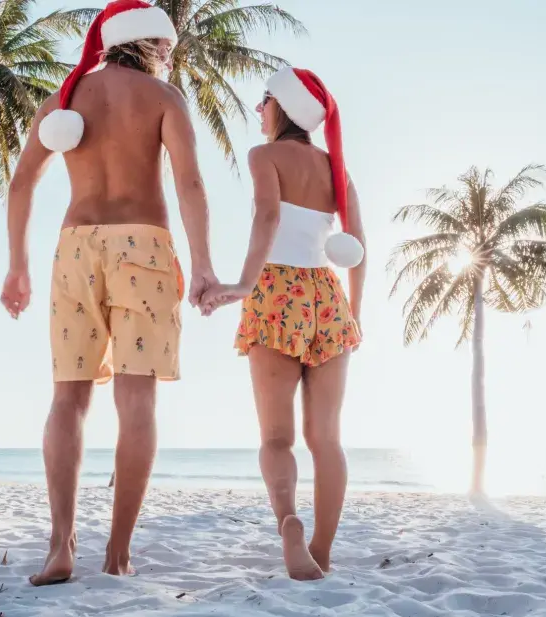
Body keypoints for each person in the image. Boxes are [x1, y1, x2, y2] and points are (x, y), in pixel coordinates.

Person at [1, 0, 216, 584]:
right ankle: (117, 554)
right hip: (143, 247)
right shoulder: (164, 98)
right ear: (151, 45)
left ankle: (60, 545)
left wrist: (17, 265)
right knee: (136, 403)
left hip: (74, 247)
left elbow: (21, 181)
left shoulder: (68, 98)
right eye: (167, 47)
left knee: (67, 400)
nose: (170, 56)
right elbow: (190, 182)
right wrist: (201, 264)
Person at [200, 67, 365, 580]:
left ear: (283, 106)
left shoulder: (264, 156)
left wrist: (244, 284)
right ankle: (322, 549)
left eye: (264, 99)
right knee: (327, 440)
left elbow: (267, 219)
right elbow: (358, 247)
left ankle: (290, 523)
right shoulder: (336, 170)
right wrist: (354, 317)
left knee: (276, 438)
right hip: (326, 298)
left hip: (276, 292)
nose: (258, 110)